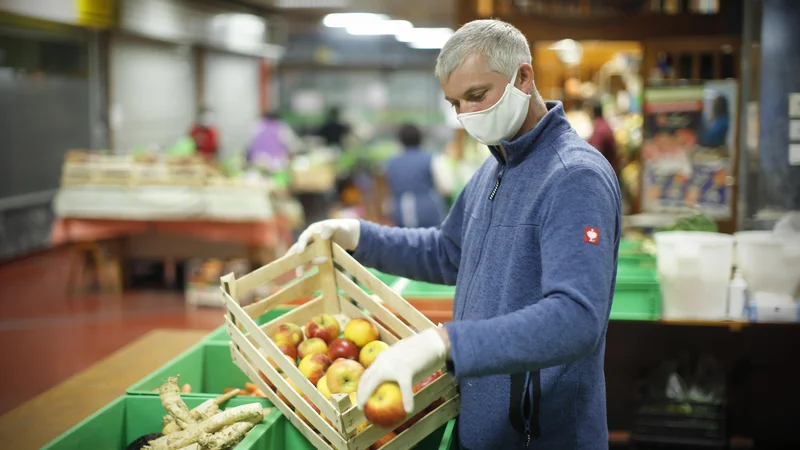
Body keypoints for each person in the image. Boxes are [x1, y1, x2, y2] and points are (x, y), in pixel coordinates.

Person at [289, 19, 621, 449]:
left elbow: (576, 319)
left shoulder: (573, 177)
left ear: (524, 76)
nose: (466, 115)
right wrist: (358, 235)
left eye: (477, 96)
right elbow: (449, 252)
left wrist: (443, 342)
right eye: (455, 103)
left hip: (537, 435)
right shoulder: (494, 168)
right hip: (482, 424)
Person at [384, 124, 448, 228]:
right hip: (428, 210)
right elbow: (445, 187)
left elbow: (387, 190)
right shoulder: (431, 158)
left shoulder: (391, 163)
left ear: (400, 140)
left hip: (401, 210)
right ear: (421, 139)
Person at [586, 101, 620, 176]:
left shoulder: (599, 129)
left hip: (605, 173)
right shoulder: (604, 123)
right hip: (610, 170)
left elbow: (593, 152)